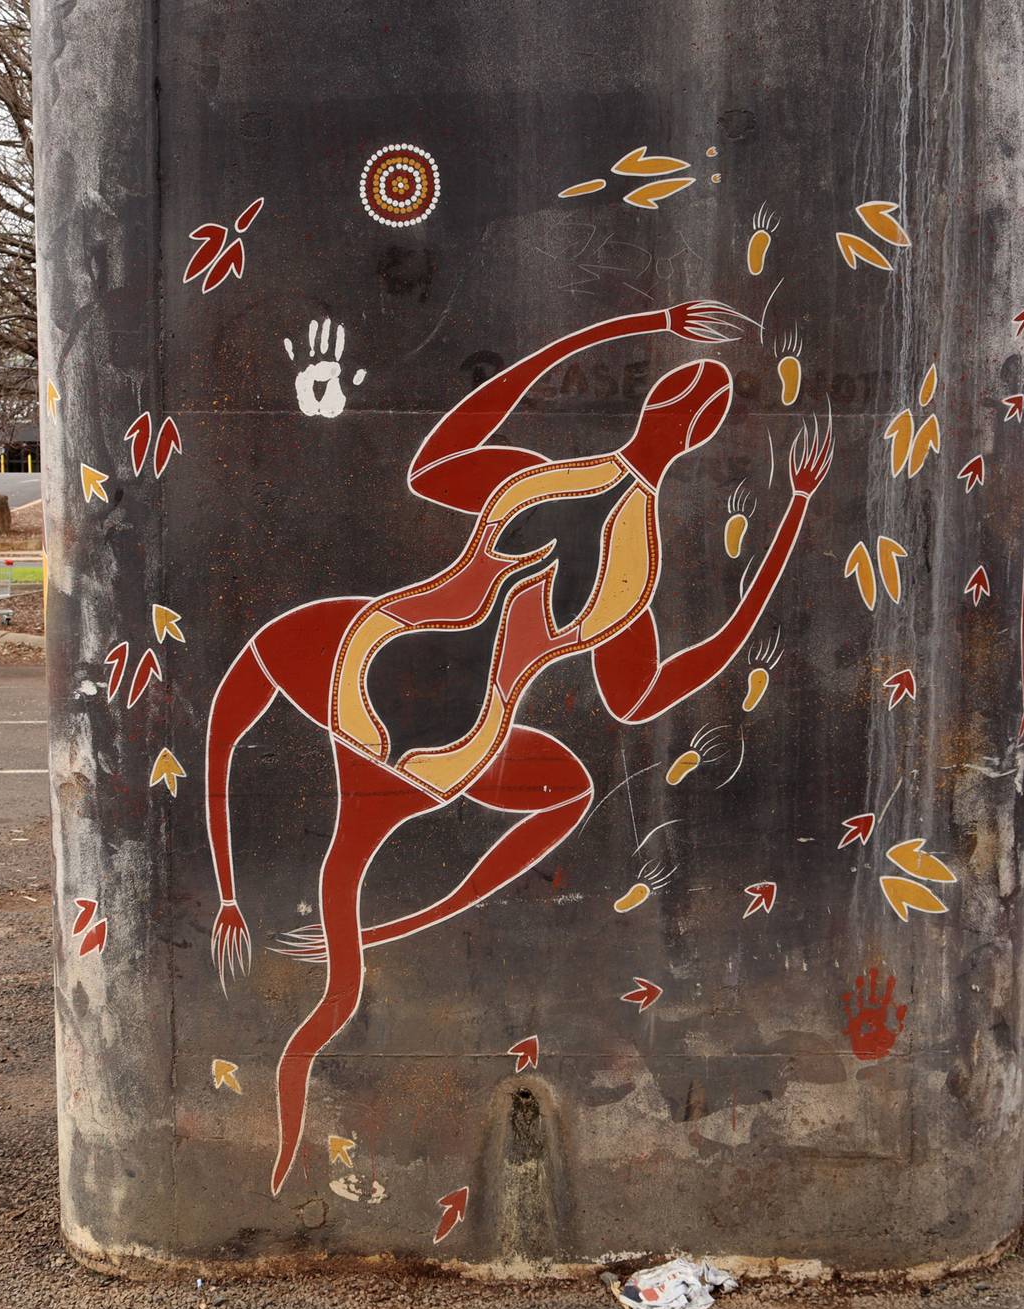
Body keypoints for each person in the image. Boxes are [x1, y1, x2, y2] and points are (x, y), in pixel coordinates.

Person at [202, 300, 834, 1192]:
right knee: (550, 796)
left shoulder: (538, 483)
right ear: (694, 434)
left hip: (374, 666)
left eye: (680, 397)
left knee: (271, 677)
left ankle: (350, 933)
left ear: (659, 408)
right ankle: (373, 929)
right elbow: (661, 684)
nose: (681, 410)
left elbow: (436, 459)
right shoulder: (631, 572)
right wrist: (790, 522)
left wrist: (616, 328)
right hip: (453, 745)